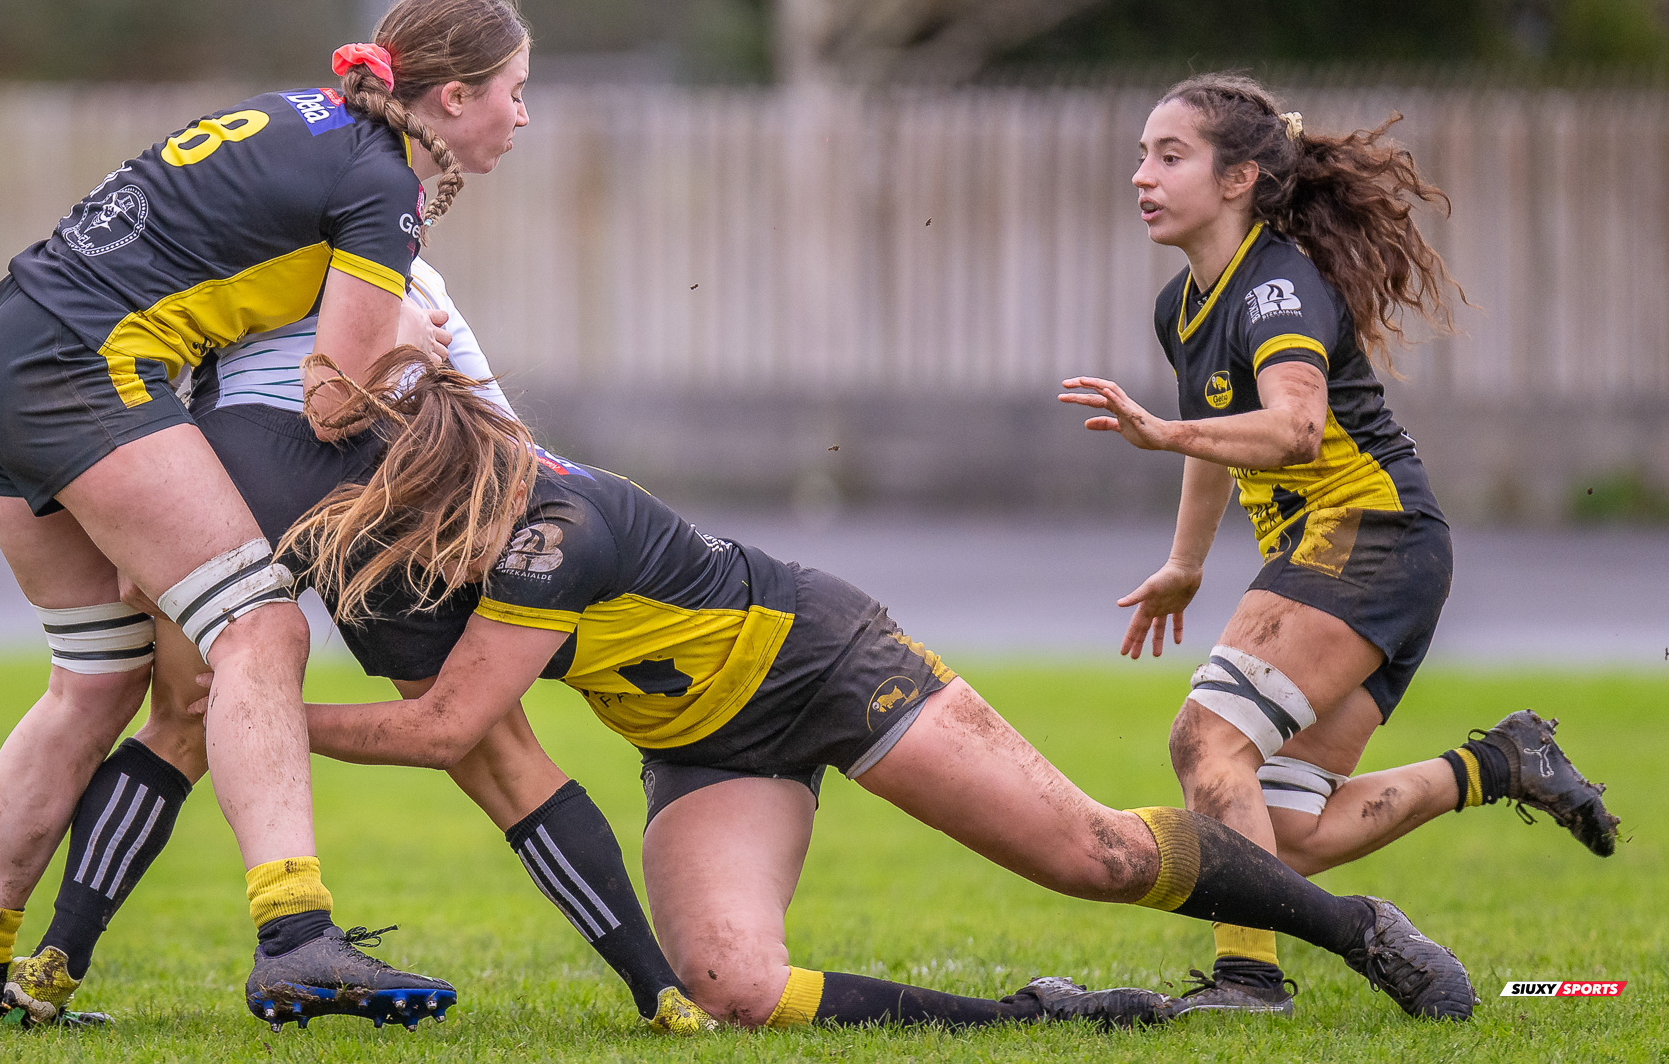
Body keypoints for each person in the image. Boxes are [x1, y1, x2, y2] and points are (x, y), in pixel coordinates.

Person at [278, 349, 1480, 1029]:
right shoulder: (480, 500)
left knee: (1093, 856)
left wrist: (258, 722)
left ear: (440, 482)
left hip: (824, 662)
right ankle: (1035, 1018)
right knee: (732, 988)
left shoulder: (553, 532)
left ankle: (1364, 934)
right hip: (704, 745)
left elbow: (451, 726)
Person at [0, 0, 534, 1030]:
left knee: (96, 680)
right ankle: (297, 941)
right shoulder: (380, 182)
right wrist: (411, 350)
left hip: (1, 343)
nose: (523, 114)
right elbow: (334, 403)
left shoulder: (309, 118)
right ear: (451, 98)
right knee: (257, 628)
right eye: (515, 91)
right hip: (79, 368)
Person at [0, 261, 714, 1036]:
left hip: (248, 464)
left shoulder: (245, 240)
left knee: (182, 720)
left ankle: (52, 967)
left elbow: (178, 367)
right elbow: (495, 438)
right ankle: (660, 994)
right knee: (500, 754)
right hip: (399, 485)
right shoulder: (395, 257)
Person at [1058, 74, 1620, 1014]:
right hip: (1371, 551)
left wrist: (1164, 431)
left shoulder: (1274, 284)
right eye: (1141, 156)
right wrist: (1187, 562)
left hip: (1370, 534)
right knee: (1288, 831)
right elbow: (1216, 435)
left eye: (1168, 156)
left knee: (1207, 741)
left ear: (1238, 177)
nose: (1140, 177)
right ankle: (1500, 764)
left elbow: (1295, 429)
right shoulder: (1182, 303)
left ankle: (1248, 982)